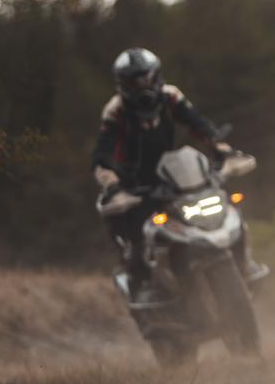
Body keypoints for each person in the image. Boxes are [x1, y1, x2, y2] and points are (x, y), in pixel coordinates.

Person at [92, 47, 229, 303]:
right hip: (135, 184)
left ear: (156, 75)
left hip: (172, 174)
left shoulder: (170, 96)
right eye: (134, 81)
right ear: (122, 83)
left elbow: (197, 124)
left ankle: (240, 261)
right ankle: (145, 284)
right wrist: (113, 185)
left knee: (217, 204)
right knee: (138, 235)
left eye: (146, 77)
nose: (142, 85)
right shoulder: (116, 111)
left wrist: (220, 147)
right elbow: (102, 155)